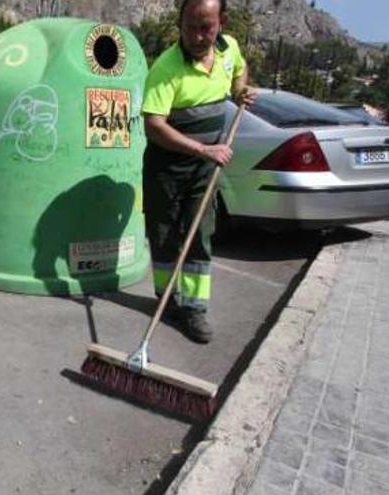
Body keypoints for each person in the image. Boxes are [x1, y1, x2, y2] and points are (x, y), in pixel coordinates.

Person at [141, 0, 257, 343]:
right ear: (180, 23)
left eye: (205, 27)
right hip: (166, 167)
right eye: (189, 26)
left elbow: (240, 69)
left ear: (220, 23)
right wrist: (203, 149)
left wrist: (241, 91)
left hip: (205, 168)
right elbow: (153, 125)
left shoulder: (228, 48)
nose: (196, 35)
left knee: (198, 236)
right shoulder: (166, 68)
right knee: (163, 237)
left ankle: (193, 310)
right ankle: (167, 300)